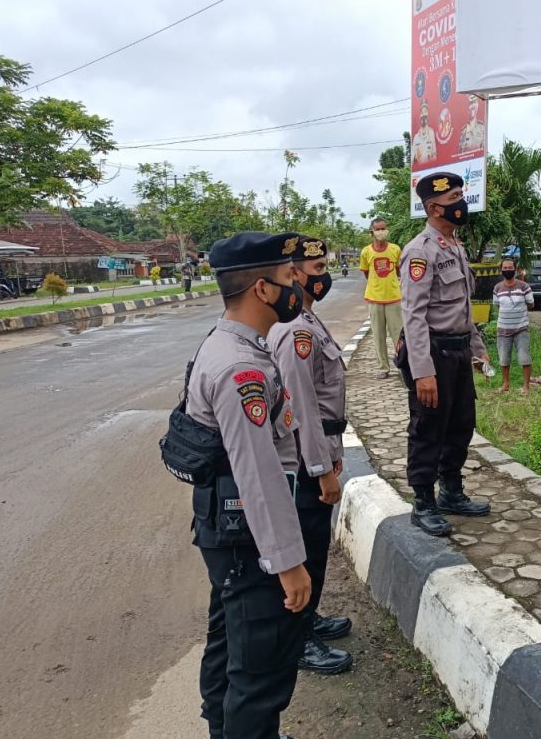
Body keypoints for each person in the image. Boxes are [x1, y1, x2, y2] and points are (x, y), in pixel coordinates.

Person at [185, 231, 312, 739]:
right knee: (259, 669)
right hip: (248, 538)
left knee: (229, 644)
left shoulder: (228, 342)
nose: (298, 283)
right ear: (262, 289)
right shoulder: (241, 368)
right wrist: (289, 564)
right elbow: (257, 475)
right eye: (289, 276)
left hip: (228, 529)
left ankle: (221, 727)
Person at [268, 235, 354, 676]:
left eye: (325, 267)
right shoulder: (295, 330)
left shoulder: (309, 320)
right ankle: (295, 638)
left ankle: (308, 619)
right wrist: (321, 470)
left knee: (316, 545)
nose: (325, 277)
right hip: (305, 458)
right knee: (306, 548)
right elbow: (300, 408)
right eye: (316, 270)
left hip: (322, 445)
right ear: (294, 274)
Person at [397, 172, 492, 536]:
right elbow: (414, 315)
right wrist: (422, 371)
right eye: (454, 197)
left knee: (460, 424)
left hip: (458, 352)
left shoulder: (454, 245)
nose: (461, 203)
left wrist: (478, 351)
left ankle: (451, 491)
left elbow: (462, 310)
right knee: (428, 428)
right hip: (432, 354)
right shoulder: (420, 251)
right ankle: (423, 502)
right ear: (435, 206)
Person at [359, 218, 403, 379]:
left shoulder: (395, 249)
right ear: (372, 231)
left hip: (394, 298)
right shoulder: (366, 252)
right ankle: (383, 368)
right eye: (378, 229)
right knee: (378, 336)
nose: (381, 232)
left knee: (398, 336)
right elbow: (366, 272)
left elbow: (399, 271)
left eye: (384, 228)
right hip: (374, 299)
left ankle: (401, 365)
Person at [492, 258, 535, 393]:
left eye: (510, 268)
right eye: (505, 268)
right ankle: (506, 385)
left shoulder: (524, 287)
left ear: (515, 270)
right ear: (501, 270)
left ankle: (526, 386)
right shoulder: (497, 288)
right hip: (503, 329)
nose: (508, 270)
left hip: (521, 328)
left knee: (524, 357)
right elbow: (497, 306)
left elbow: (531, 304)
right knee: (504, 358)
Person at [411, 99, 437, 165]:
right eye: (422, 111)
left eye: (425, 111)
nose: (424, 114)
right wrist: (416, 157)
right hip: (420, 171)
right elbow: (412, 160)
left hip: (430, 169)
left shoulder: (431, 133)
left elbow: (434, 154)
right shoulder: (416, 137)